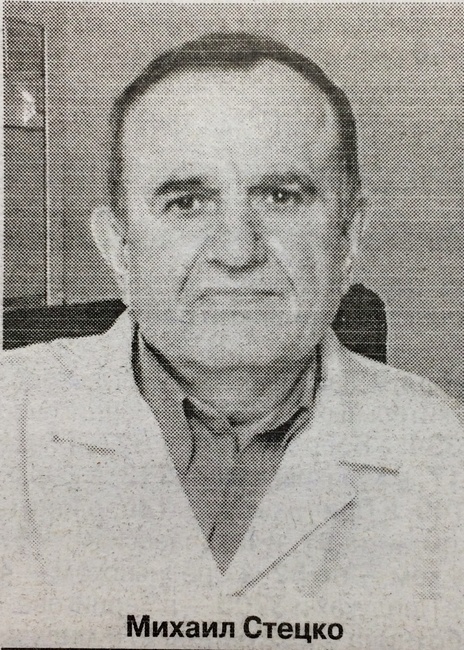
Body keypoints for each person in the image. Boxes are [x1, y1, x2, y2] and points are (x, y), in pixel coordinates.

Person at [1, 32, 462, 630]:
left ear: (348, 239)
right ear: (117, 247)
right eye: (187, 202)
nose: (237, 251)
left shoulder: (443, 450)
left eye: (281, 197)